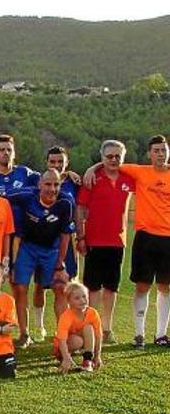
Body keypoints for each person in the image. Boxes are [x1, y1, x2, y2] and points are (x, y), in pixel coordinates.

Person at [84, 135, 170, 349]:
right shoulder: (139, 172)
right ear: (150, 154)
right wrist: (91, 169)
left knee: (165, 286)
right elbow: (112, 163)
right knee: (142, 285)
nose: (160, 154)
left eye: (164, 150)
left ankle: (160, 334)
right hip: (145, 237)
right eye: (156, 150)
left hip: (168, 238)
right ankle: (139, 334)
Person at [6, 169, 75, 347]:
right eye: (48, 184)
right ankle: (24, 333)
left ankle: (62, 335)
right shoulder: (27, 196)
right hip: (27, 247)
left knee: (60, 287)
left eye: (56, 184)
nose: (52, 189)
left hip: (51, 249)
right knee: (20, 288)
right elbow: (1, 196)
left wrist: (60, 264)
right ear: (39, 185)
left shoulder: (65, 202)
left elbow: (66, 235)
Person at [76, 140, 134, 344]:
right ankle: (90, 326)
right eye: (109, 156)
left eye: (118, 156)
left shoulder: (129, 177)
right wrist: (81, 237)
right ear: (101, 157)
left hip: (118, 241)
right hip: (94, 240)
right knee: (92, 287)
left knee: (112, 287)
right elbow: (81, 209)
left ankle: (107, 328)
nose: (114, 160)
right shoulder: (92, 178)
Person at [54, 282, 103, 374]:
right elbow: (62, 340)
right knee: (78, 341)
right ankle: (64, 356)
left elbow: (98, 336)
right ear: (69, 301)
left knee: (89, 328)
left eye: (84, 297)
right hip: (65, 344)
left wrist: (97, 356)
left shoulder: (93, 313)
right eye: (77, 298)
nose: (82, 300)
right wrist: (66, 358)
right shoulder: (66, 316)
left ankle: (87, 360)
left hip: (81, 339)